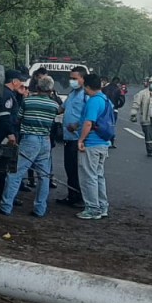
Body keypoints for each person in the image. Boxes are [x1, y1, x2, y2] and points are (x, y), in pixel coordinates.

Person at [0, 76, 59, 217]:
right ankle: (40, 209)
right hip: (45, 141)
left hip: (29, 140)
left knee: (15, 173)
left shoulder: (28, 101)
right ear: (51, 89)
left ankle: (6, 206)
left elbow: (18, 118)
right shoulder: (54, 106)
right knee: (44, 176)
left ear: (37, 87)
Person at [0, 70, 29, 202]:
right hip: (4, 134)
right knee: (5, 164)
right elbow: (4, 117)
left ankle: (1, 193)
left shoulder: (6, 93)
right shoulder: (7, 95)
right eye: (20, 81)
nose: (22, 84)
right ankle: (4, 195)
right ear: (14, 81)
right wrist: (10, 134)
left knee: (1, 165)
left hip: (0, 132)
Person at [76, 73, 113, 220]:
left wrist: (81, 140)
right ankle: (102, 206)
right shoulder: (106, 99)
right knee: (98, 176)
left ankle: (92, 208)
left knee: (88, 176)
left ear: (87, 85)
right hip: (103, 143)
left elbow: (88, 123)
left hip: (92, 143)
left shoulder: (93, 101)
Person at [57, 66, 88, 207]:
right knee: (69, 168)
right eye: (71, 78)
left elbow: (89, 116)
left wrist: (77, 125)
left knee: (78, 170)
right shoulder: (72, 94)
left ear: (83, 79)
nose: (72, 81)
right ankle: (72, 195)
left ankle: (81, 197)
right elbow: (61, 109)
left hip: (78, 138)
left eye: (75, 78)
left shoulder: (86, 95)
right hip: (68, 137)